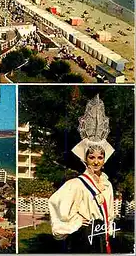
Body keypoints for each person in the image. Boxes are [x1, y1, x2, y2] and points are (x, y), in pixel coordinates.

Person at [48, 95, 115, 253]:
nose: (96, 162)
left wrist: (108, 230)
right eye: (92, 157)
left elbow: (110, 213)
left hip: (102, 236)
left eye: (100, 157)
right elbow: (56, 203)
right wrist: (77, 220)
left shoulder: (107, 185)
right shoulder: (76, 184)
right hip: (83, 236)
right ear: (85, 159)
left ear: (104, 160)